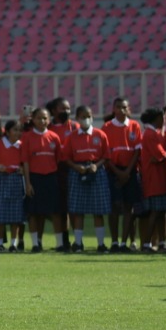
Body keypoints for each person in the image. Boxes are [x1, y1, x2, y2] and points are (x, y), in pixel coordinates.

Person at [62, 105, 111, 252]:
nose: (86, 119)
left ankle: (101, 244)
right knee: (78, 211)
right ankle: (78, 243)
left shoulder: (100, 134)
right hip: (78, 172)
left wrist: (97, 165)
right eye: (83, 117)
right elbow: (66, 158)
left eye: (88, 116)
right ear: (77, 118)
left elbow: (106, 155)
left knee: (98, 211)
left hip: (96, 171)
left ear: (92, 117)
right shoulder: (71, 136)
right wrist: (76, 167)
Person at [21, 107, 66, 252]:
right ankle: (36, 244)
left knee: (55, 211)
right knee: (34, 213)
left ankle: (60, 244)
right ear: (33, 120)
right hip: (34, 177)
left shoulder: (54, 137)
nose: (42, 121)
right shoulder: (27, 137)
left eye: (45, 118)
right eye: (39, 118)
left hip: (51, 177)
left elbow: (58, 160)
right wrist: (28, 183)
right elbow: (25, 162)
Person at [102, 97, 142, 252]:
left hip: (130, 171)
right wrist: (118, 172)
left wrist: (127, 172)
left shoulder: (134, 125)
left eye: (124, 107)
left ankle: (124, 242)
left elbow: (137, 151)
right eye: (118, 107)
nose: (121, 110)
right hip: (113, 171)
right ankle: (114, 242)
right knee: (114, 207)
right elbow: (105, 154)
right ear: (113, 109)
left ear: (129, 109)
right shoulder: (106, 127)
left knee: (128, 207)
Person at [0, 119, 26, 251]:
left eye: (19, 130)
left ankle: (13, 244)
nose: (18, 133)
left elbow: (25, 164)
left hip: (16, 181)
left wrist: (22, 170)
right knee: (0, 213)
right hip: (1, 180)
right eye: (15, 130)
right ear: (7, 132)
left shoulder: (22, 145)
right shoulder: (0, 144)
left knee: (16, 214)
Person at [137, 107, 166, 253]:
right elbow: (160, 154)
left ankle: (162, 242)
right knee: (156, 212)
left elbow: (159, 157)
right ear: (157, 118)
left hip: (160, 179)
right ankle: (146, 244)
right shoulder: (150, 134)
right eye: (162, 117)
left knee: (161, 212)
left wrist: (162, 156)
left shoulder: (153, 133)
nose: (163, 120)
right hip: (155, 180)